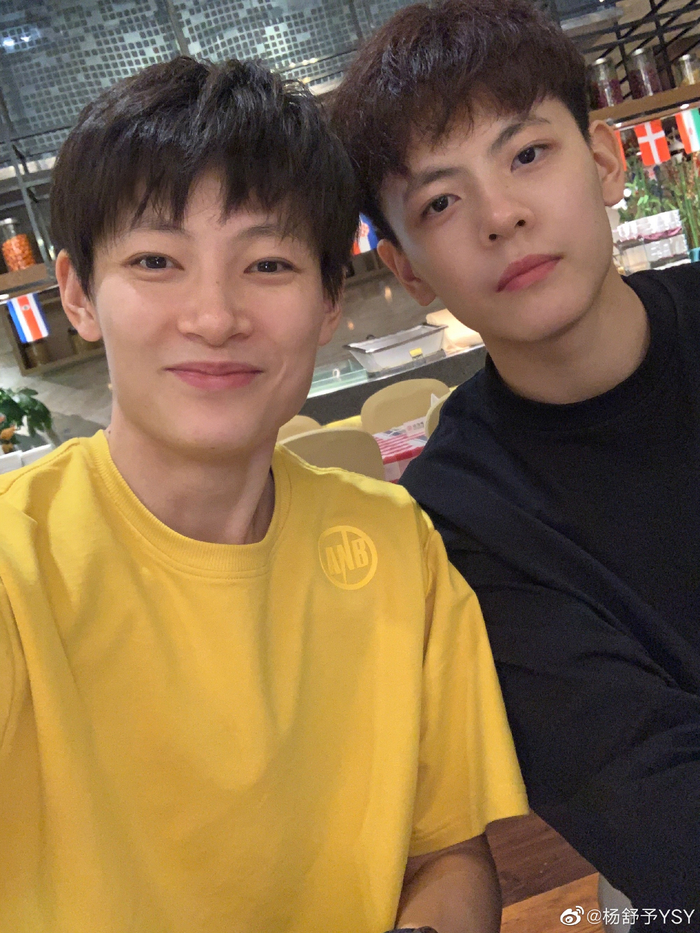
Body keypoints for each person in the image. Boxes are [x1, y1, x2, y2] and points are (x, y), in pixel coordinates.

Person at [0, 56, 528, 933]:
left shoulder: (396, 542)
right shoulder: (17, 567)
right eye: (157, 260)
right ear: (78, 296)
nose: (214, 316)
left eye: (269, 263)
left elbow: (448, 855)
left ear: (327, 304)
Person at [331, 0, 700, 921]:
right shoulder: (460, 522)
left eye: (528, 153)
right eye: (441, 202)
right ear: (409, 270)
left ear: (606, 160)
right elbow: (651, 805)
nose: (501, 216)